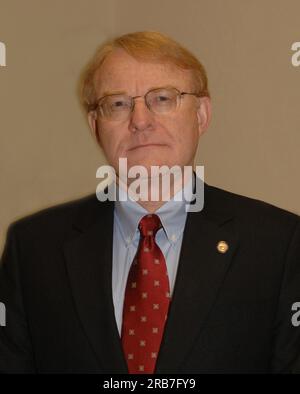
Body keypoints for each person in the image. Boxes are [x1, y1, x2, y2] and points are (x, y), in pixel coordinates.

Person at [0, 31, 299, 374]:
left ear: (202, 114)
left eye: (162, 99)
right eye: (118, 104)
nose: (140, 121)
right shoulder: (34, 249)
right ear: (95, 126)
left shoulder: (279, 244)